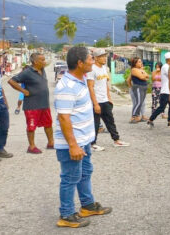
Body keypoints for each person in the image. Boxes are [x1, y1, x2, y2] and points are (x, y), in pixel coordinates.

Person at [53, 46, 112, 228]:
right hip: (73, 144)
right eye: (90, 59)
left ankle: (87, 205)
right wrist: (73, 146)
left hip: (84, 141)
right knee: (70, 178)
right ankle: (67, 214)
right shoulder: (66, 86)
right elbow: (64, 118)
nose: (92, 62)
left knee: (85, 173)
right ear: (80, 63)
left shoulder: (82, 79)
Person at [8, 52, 54, 154]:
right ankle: (31, 147)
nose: (44, 62)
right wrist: (23, 91)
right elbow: (11, 81)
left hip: (44, 104)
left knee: (48, 124)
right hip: (32, 106)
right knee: (31, 126)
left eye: (44, 59)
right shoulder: (27, 72)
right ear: (35, 62)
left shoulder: (42, 69)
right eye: (42, 60)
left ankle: (51, 143)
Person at [86, 48, 129, 151]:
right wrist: (95, 104)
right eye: (102, 56)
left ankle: (116, 140)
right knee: (95, 123)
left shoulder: (104, 68)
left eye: (105, 56)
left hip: (105, 100)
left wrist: (109, 97)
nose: (105, 58)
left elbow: (105, 83)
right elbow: (90, 87)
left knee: (110, 121)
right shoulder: (91, 70)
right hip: (96, 101)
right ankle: (92, 144)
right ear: (96, 58)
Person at [148, 52, 170, 128]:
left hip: (169, 90)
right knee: (161, 108)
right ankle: (150, 119)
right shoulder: (166, 67)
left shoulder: (168, 66)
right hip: (165, 91)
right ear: (169, 59)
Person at [0, 53, 13, 161]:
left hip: (0, 102)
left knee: (4, 126)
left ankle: (0, 149)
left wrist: (5, 101)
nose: (0, 59)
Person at [127, 57, 149, 123]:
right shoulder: (134, 70)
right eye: (139, 62)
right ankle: (133, 116)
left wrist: (143, 73)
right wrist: (143, 74)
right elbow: (142, 77)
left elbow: (147, 76)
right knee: (138, 102)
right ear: (135, 63)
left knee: (142, 102)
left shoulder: (140, 70)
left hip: (144, 86)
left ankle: (138, 116)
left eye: (141, 61)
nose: (141, 63)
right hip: (138, 87)